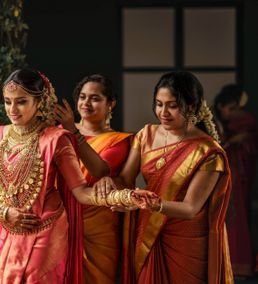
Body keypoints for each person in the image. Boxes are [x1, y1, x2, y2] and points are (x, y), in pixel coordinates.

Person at [0, 68, 142, 284]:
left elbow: (82, 192)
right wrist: (4, 212)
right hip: (8, 232)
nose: (12, 109)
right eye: (8, 101)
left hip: (46, 232)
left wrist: (123, 198)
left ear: (39, 102)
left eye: (21, 102)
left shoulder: (57, 138)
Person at [96, 71, 233, 283]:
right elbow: (125, 179)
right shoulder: (147, 135)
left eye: (172, 105)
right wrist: (108, 180)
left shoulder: (207, 152)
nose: (163, 112)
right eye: (159, 104)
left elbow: (190, 208)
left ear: (192, 106)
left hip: (186, 242)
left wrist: (151, 205)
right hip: (149, 230)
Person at [55, 74, 131, 283]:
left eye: (95, 98)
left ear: (111, 104)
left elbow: (99, 171)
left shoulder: (120, 140)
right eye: (82, 97)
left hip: (99, 230)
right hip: (60, 223)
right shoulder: (57, 134)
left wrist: (74, 133)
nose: (86, 103)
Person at [214, 84, 258, 277]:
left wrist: (231, 142)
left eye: (230, 108)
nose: (225, 112)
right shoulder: (232, 126)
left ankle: (239, 263)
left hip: (238, 176)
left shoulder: (246, 123)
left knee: (236, 215)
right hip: (230, 173)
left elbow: (248, 150)